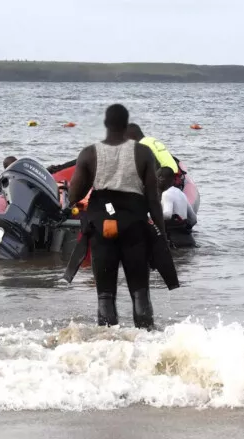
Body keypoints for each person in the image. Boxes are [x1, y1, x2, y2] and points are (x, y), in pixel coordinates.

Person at [66, 104, 168, 329]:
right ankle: (147, 341)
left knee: (105, 295)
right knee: (140, 292)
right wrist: (161, 234)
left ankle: (108, 343)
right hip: (134, 228)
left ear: (106, 124)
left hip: (104, 228)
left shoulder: (89, 153)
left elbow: (75, 195)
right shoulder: (143, 153)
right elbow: (153, 199)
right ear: (125, 125)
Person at [158, 167, 197, 248]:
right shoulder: (181, 193)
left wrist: (152, 217)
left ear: (161, 179)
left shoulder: (166, 194)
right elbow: (193, 219)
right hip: (189, 240)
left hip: (174, 241)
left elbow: (167, 215)